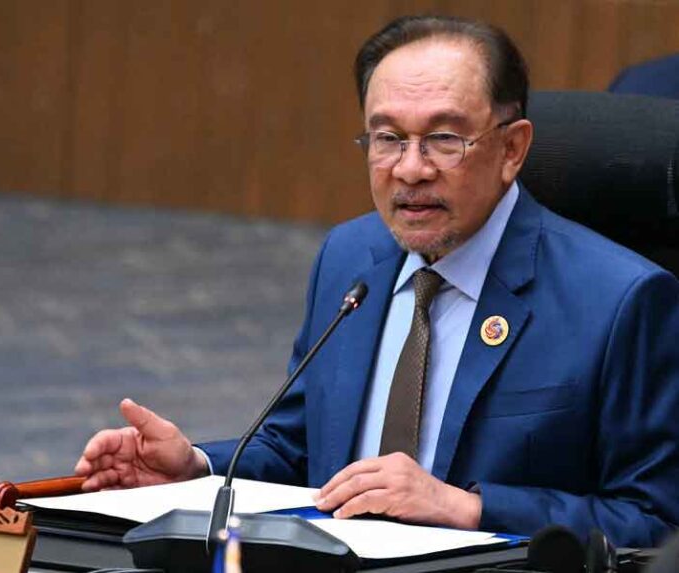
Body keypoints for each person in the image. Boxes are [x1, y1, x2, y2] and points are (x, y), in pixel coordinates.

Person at [75, 16, 679, 547]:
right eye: (388, 138)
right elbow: (299, 448)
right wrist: (196, 466)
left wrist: (466, 507)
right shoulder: (349, 257)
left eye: (443, 139)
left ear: (512, 149)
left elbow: (656, 521)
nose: (410, 170)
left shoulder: (620, 302)